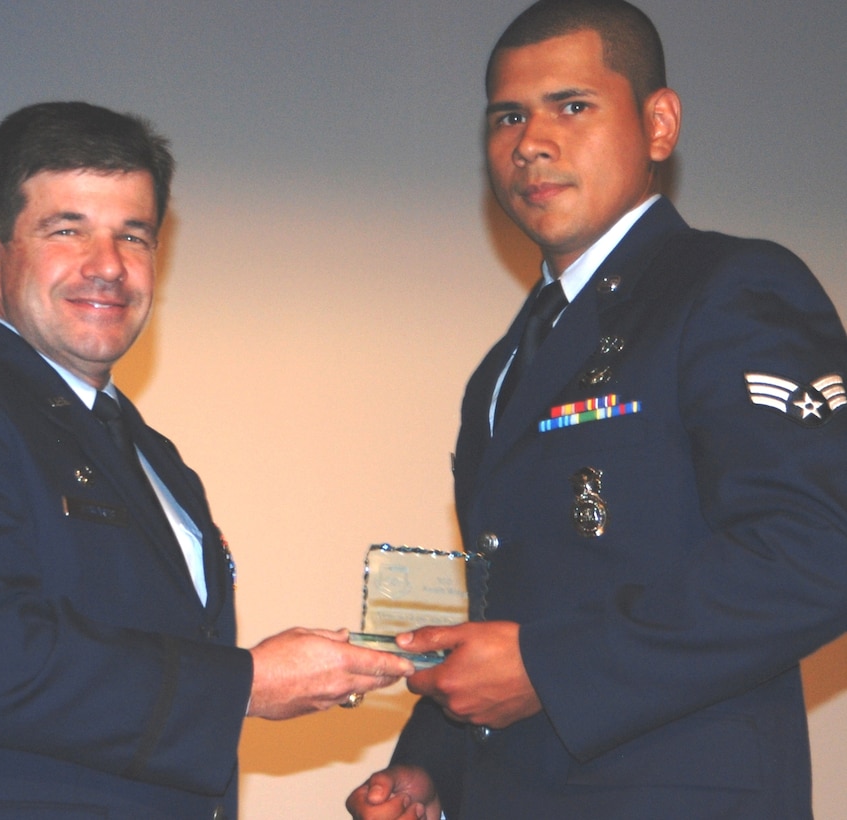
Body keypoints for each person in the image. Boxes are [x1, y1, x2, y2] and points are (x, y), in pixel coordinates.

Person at [346, 1, 847, 817]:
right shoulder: (508, 363)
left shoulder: (728, 289)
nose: (531, 142)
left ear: (658, 124)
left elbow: (817, 550)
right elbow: (512, 602)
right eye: (508, 116)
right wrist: (433, 760)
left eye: (571, 106)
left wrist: (547, 668)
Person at [0, 101, 414, 819]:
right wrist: (245, 684)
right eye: (68, 230)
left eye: (134, 235)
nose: (109, 267)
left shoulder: (156, 460)